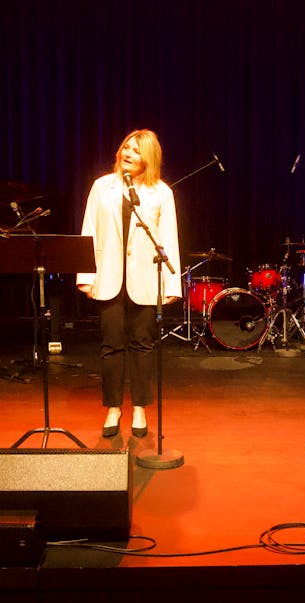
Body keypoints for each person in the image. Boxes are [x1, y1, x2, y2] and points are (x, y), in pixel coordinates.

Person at [76, 129, 181, 438]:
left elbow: (169, 239)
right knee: (111, 345)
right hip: (109, 276)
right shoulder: (101, 187)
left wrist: (172, 285)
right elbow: (89, 232)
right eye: (125, 147)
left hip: (145, 278)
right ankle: (113, 408)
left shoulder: (161, 191)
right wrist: (86, 275)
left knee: (143, 344)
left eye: (135, 150)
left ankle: (139, 407)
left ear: (148, 157)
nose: (127, 153)